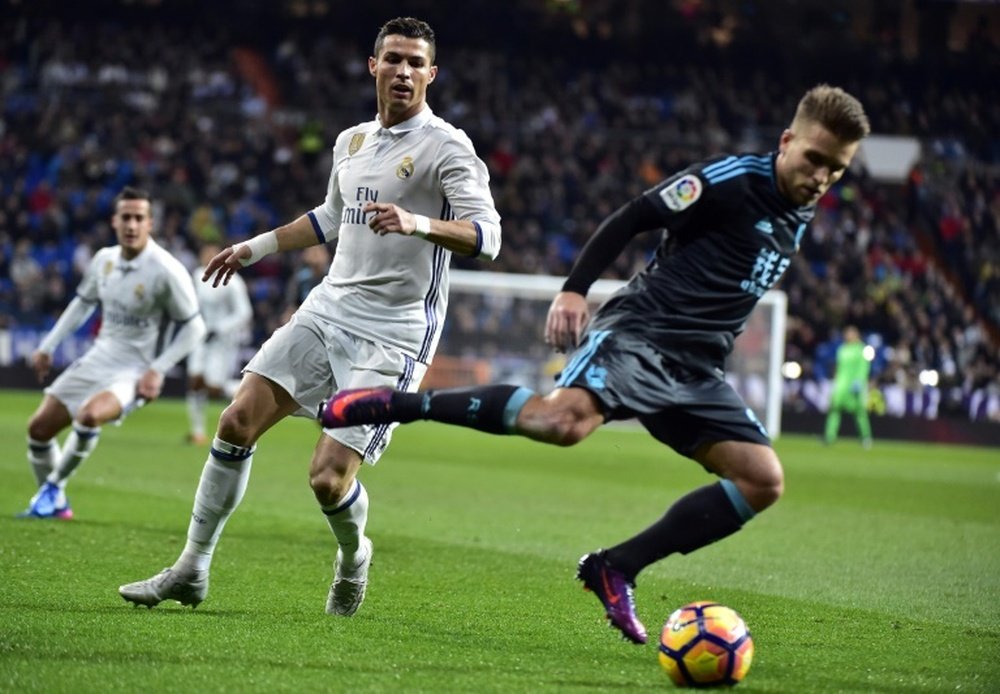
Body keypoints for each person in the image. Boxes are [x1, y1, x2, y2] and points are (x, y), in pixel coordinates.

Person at [318, 84, 870, 644]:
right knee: (562, 424)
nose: (823, 177)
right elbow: (636, 215)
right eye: (814, 159)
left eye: (837, 169)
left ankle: (616, 567)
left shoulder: (799, 211)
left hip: (697, 368)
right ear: (786, 141)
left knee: (762, 479)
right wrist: (575, 291)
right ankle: (396, 404)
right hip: (642, 332)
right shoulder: (731, 180)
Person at [119, 17, 502, 617]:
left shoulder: (447, 147)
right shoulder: (350, 141)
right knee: (236, 421)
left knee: (327, 479)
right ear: (373, 66)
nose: (403, 71)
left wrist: (418, 222)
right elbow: (328, 216)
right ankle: (190, 569)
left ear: (432, 73)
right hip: (327, 309)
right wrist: (257, 247)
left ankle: (354, 559)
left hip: (394, 333)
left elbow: (489, 236)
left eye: (415, 63)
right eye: (393, 59)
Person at [19, 186, 206, 519]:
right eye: (126, 218)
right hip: (98, 356)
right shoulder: (103, 260)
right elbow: (82, 303)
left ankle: (50, 489)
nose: (132, 225)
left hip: (134, 369)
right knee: (39, 429)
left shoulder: (166, 270)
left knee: (89, 416)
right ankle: (57, 503)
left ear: (150, 224)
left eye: (139, 218)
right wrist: (48, 346)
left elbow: (194, 328)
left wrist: (157, 369)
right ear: (114, 222)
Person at [185, 242, 254, 445]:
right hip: (201, 338)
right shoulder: (198, 276)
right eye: (204, 251)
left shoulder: (233, 281)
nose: (207, 255)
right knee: (195, 382)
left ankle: (251, 390)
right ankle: (197, 432)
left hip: (223, 343)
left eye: (211, 252)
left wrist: (221, 328)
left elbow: (244, 312)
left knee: (215, 389)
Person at [823, 325, 873, 448]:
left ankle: (866, 438)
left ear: (856, 335)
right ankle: (829, 436)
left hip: (854, 386)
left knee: (860, 413)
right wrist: (835, 383)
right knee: (834, 410)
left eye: (850, 333)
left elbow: (864, 367)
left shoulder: (861, 349)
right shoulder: (842, 349)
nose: (847, 335)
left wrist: (859, 382)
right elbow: (838, 368)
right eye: (846, 333)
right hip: (841, 386)